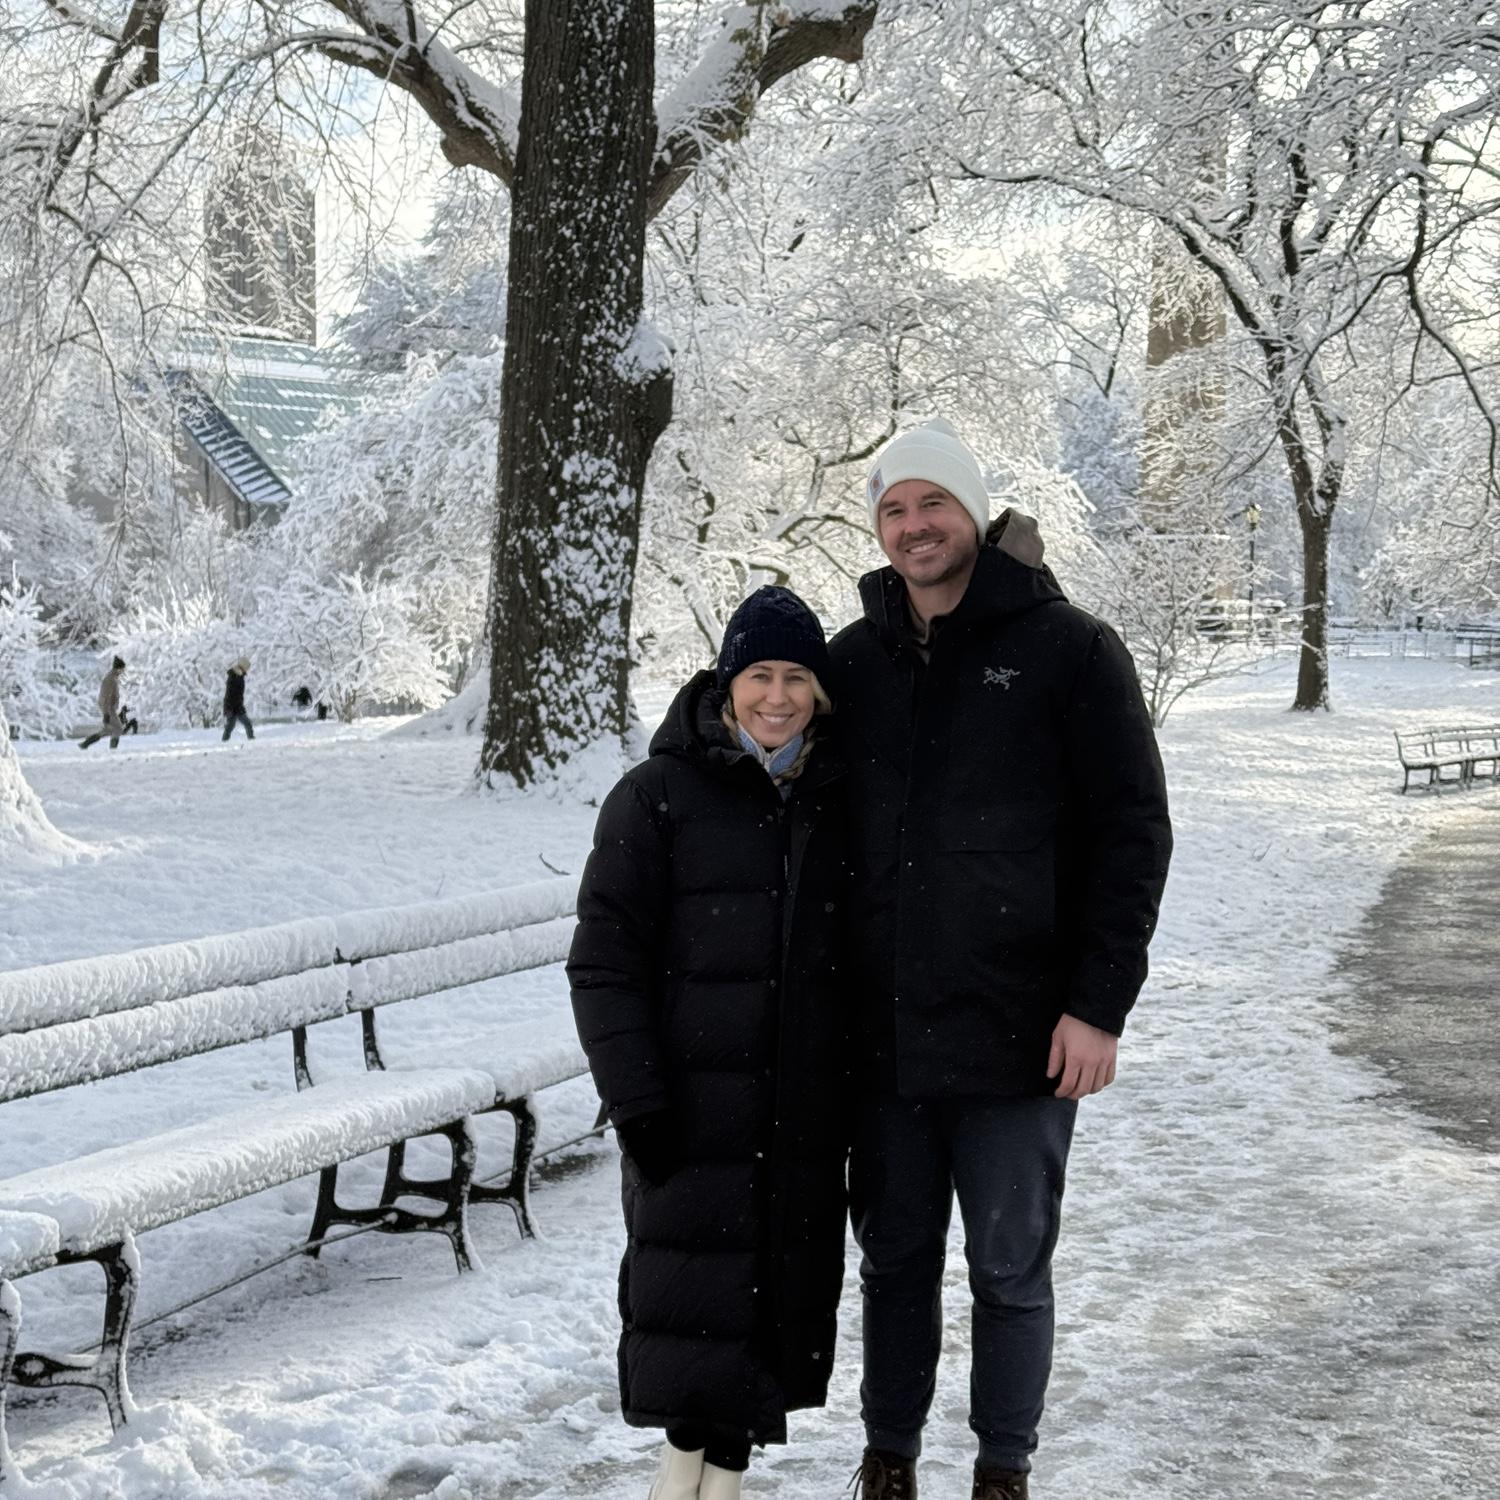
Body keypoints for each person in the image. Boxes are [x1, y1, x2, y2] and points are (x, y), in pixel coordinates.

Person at [829, 420, 1173, 1500]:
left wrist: (1098, 1006)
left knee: (1010, 1272)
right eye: (893, 509)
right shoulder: (853, 662)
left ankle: (1002, 1472)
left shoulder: (1069, 650)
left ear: (974, 513)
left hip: (1024, 1035)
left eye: (932, 504)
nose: (913, 526)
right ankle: (888, 1462)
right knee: (893, 1269)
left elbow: (1133, 834)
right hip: (885, 1041)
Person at [568, 587, 851, 1500]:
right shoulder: (655, 799)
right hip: (688, 1120)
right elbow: (604, 963)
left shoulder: (835, 799)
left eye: (797, 676)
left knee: (761, 1339)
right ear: (725, 686)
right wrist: (638, 1101)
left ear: (819, 689)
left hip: (797, 1123)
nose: (778, 697)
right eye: (759, 675)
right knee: (692, 1334)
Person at [79, 656, 127, 750]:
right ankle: (113, 749)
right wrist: (106, 713)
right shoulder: (110, 679)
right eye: (122, 669)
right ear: (118, 668)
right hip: (109, 709)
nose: (123, 672)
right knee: (118, 728)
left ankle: (86, 743)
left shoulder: (113, 678)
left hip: (110, 708)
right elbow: (106, 697)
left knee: (108, 729)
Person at [223, 657, 254, 741]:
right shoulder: (234, 677)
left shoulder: (239, 676)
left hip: (237, 706)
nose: (247, 670)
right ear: (243, 667)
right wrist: (230, 708)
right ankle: (224, 741)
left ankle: (251, 740)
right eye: (246, 668)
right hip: (232, 707)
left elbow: (238, 694)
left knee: (245, 724)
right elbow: (230, 694)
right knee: (231, 726)